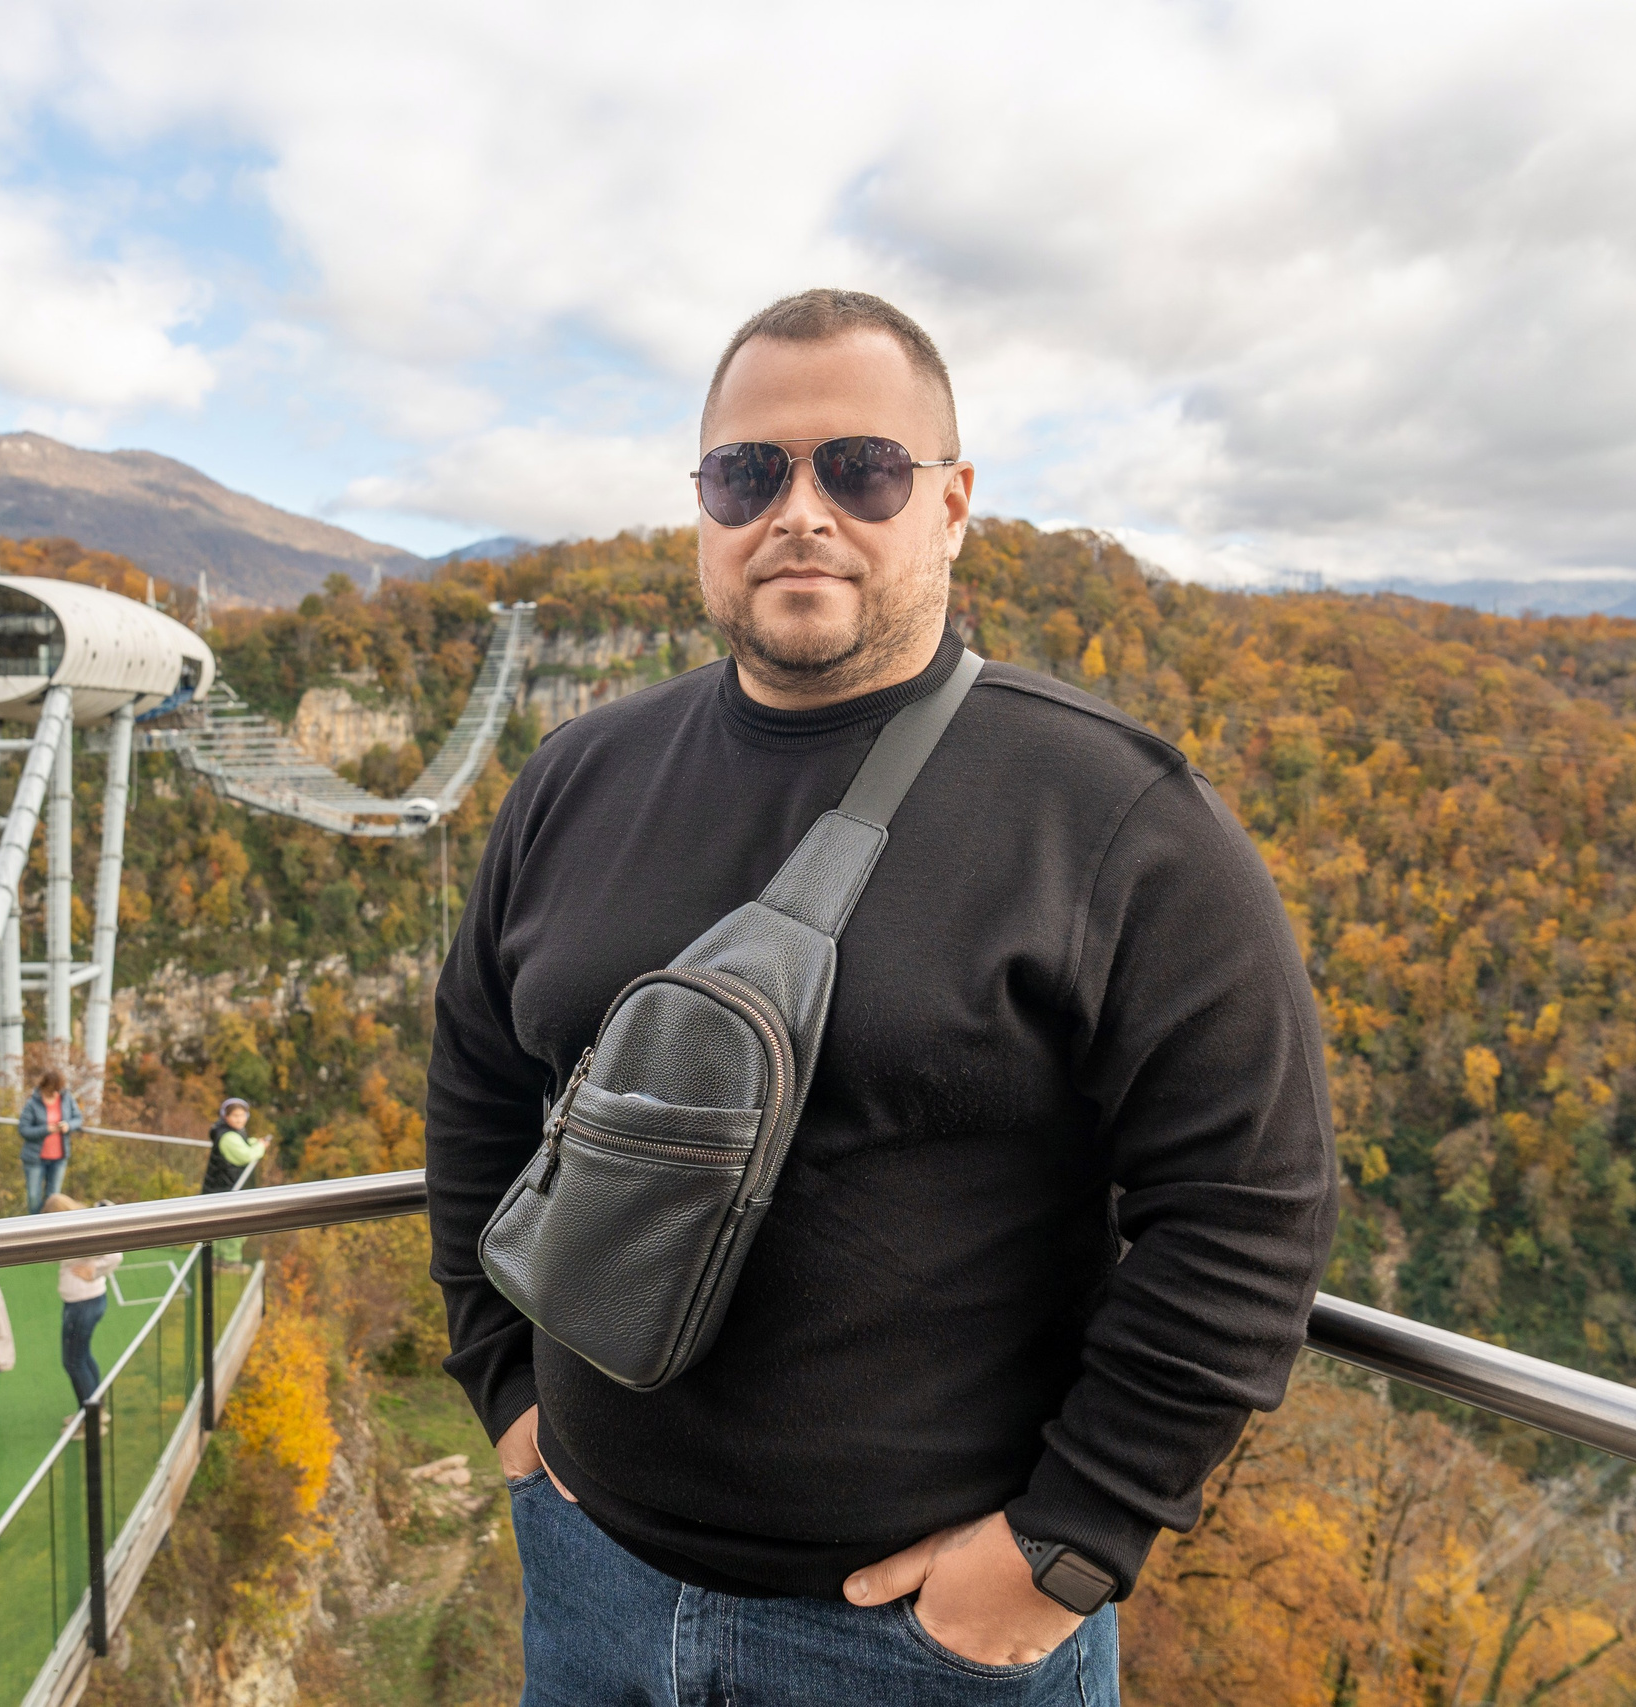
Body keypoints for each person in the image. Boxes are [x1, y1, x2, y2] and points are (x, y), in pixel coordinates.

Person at [425, 290, 1337, 1703]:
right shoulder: (578, 777)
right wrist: (504, 1386)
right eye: (748, 472)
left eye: (861, 467)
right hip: (587, 1566)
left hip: (913, 1640)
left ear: (953, 502)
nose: (799, 511)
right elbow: (478, 1078)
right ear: (703, 510)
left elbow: (1250, 1201)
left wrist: (1063, 1545)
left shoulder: (1111, 813)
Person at [42, 1192, 121, 1426]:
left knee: (74, 1361)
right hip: (88, 1301)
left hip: (82, 1304)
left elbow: (116, 1255)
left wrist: (94, 1270)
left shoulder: (80, 1230)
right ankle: (95, 1409)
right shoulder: (81, 1225)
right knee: (83, 1356)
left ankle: (91, 1419)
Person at [203, 1097, 267, 1266]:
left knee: (223, 1226)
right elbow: (246, 1155)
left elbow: (244, 1145)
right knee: (235, 1226)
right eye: (235, 1116)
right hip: (224, 1189)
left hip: (222, 1187)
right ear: (226, 1117)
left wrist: (254, 1143)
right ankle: (229, 1261)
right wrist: (260, 1147)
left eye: (242, 1115)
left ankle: (218, 1258)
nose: (240, 1119)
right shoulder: (228, 1137)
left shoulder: (227, 1132)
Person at [19, 1068, 81, 1214]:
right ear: (45, 1086)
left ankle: (52, 1232)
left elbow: (78, 1118)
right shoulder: (32, 1104)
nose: (55, 1093)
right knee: (34, 1199)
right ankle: (35, 1230)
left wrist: (68, 1125)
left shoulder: (66, 1098)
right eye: (52, 1090)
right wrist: (46, 1129)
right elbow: (24, 1130)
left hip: (59, 1158)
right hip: (36, 1158)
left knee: (54, 1200)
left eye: (58, 1090)